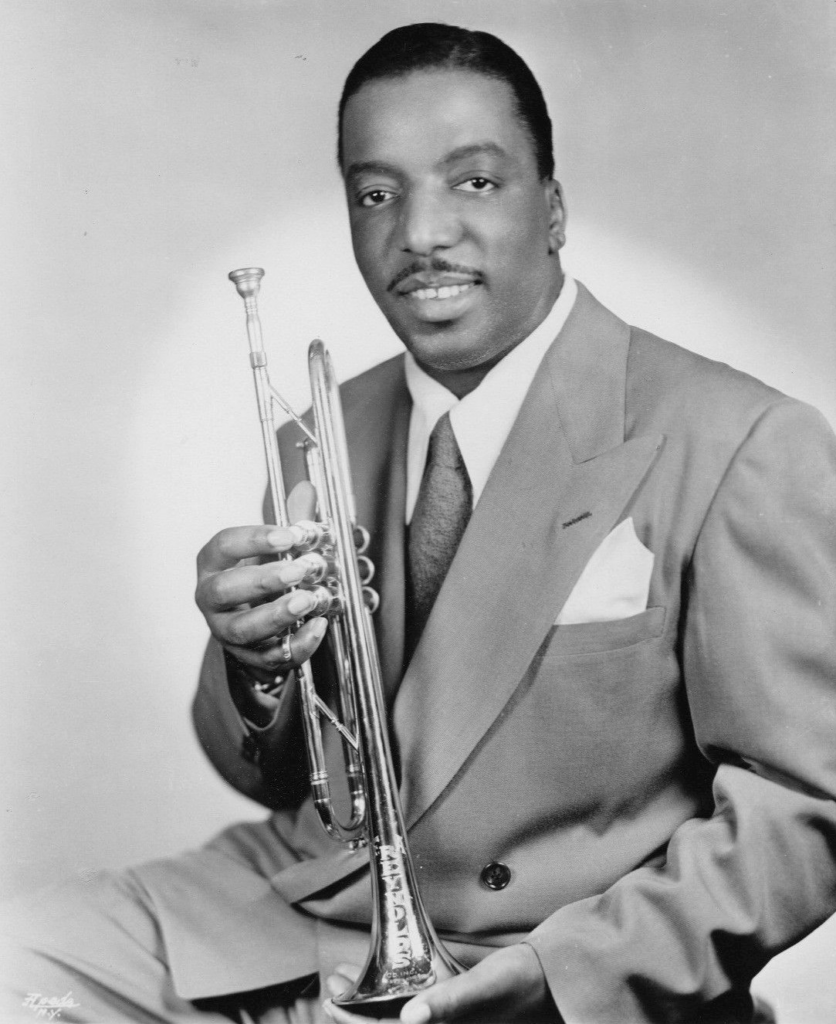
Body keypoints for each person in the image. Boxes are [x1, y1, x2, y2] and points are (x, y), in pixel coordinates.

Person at [4, 21, 836, 1024]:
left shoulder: (739, 438)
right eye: (376, 194)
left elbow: (807, 806)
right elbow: (270, 779)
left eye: (473, 181)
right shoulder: (326, 429)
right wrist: (252, 665)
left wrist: (562, 977)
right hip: (301, 905)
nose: (420, 233)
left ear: (553, 207)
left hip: (533, 949)